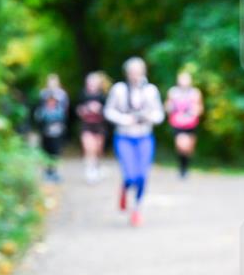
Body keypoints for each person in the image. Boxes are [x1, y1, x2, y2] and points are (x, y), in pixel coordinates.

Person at [104, 56, 165, 227]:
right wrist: (124, 119)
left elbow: (159, 115)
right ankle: (125, 187)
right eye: (133, 72)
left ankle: (137, 208)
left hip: (144, 137)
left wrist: (148, 117)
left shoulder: (151, 91)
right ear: (127, 73)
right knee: (130, 175)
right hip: (124, 137)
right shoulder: (119, 90)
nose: (136, 75)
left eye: (139, 72)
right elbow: (108, 111)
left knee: (142, 175)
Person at [165, 67, 204, 178]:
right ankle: (181, 169)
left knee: (189, 148)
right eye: (182, 79)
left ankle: (185, 168)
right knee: (181, 145)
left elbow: (200, 108)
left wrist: (195, 111)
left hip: (191, 124)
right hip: (178, 124)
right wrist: (170, 108)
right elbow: (167, 106)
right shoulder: (173, 92)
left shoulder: (195, 93)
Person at [35, 74, 69, 182]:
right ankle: (47, 171)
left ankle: (54, 171)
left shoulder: (62, 94)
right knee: (46, 150)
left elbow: (65, 111)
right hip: (45, 128)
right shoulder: (43, 94)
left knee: (56, 150)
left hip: (57, 127)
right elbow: (38, 110)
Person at [76, 71, 110, 183]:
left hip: (100, 125)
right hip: (86, 124)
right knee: (89, 148)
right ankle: (90, 170)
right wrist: (85, 109)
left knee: (98, 149)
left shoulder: (103, 95)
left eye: (94, 81)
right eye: (89, 81)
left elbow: (109, 111)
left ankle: (97, 166)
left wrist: (99, 109)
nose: (91, 84)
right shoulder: (82, 94)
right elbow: (76, 110)